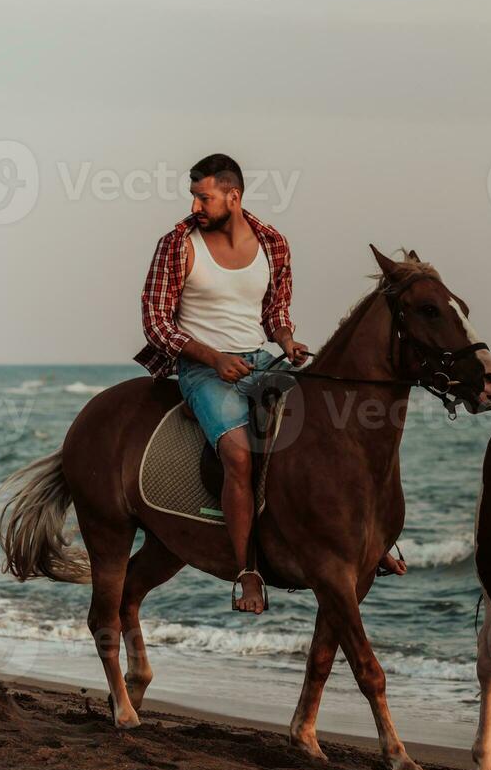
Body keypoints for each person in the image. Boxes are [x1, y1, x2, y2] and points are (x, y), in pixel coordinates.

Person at [134, 153, 403, 614]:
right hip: (202, 369)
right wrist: (212, 358)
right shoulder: (178, 244)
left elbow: (275, 311)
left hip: (261, 360)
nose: (196, 206)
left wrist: (286, 339)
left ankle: (363, 541)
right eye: (194, 197)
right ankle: (247, 572)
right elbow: (156, 323)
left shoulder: (272, 243)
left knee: (327, 432)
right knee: (238, 455)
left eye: (205, 197)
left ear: (233, 196)